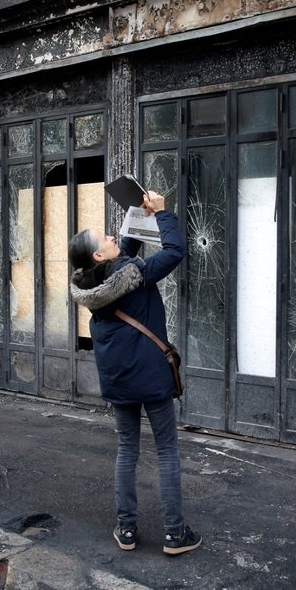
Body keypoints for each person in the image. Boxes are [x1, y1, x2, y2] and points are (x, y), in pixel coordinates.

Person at [68, 190, 201, 556]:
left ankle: (126, 529)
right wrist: (162, 213)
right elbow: (175, 252)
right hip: (152, 377)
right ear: (98, 255)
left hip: (119, 379)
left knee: (127, 450)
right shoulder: (135, 275)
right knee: (167, 451)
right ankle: (175, 534)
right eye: (106, 238)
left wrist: (135, 218)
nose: (112, 236)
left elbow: (121, 256)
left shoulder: (90, 282)